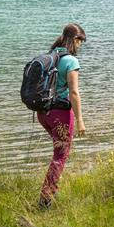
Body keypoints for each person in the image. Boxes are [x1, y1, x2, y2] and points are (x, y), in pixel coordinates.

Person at [37, 23, 87, 209]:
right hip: (60, 113)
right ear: (75, 40)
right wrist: (80, 120)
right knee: (61, 155)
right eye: (80, 41)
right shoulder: (71, 61)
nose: (80, 45)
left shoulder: (50, 56)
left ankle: (51, 190)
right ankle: (46, 199)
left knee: (58, 150)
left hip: (43, 113)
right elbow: (74, 93)